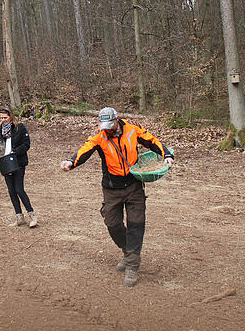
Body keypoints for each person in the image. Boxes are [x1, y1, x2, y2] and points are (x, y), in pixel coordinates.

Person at [60, 107, 174, 287]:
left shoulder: (132, 128)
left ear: (117, 119)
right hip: (111, 187)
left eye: (109, 124)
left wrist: (166, 154)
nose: (106, 128)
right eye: (103, 125)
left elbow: (151, 140)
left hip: (134, 184)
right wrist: (71, 162)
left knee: (136, 223)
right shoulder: (99, 135)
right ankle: (129, 252)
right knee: (112, 223)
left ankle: (132, 265)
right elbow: (85, 149)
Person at [0, 107, 36, 227]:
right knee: (11, 191)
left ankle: (32, 215)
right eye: (1, 118)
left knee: (19, 189)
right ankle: (19, 217)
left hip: (18, 162)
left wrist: (15, 151)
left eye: (5, 117)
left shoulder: (20, 128)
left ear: (11, 117)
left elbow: (26, 144)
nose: (3, 120)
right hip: (5, 162)